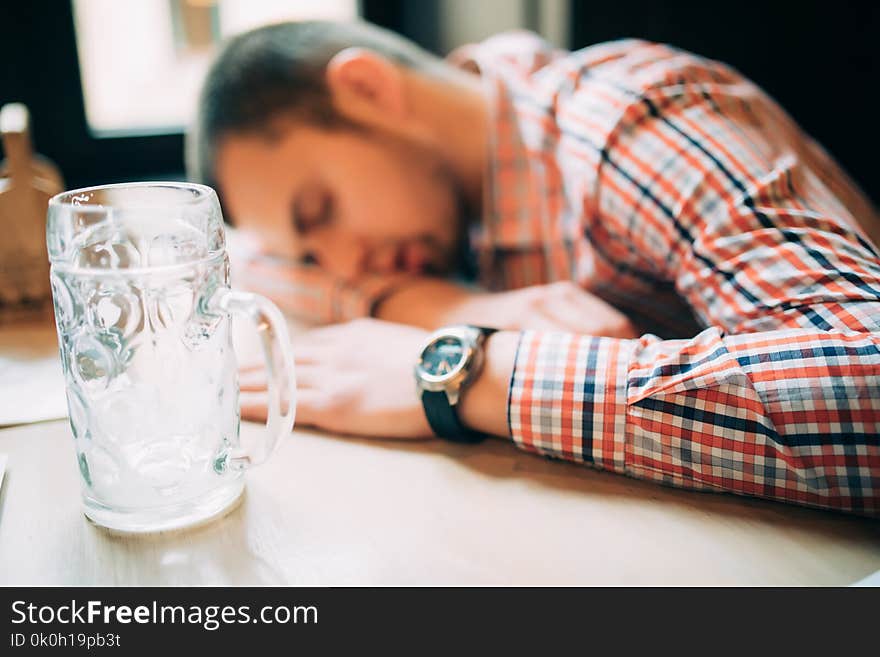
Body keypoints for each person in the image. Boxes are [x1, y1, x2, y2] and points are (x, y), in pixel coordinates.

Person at [188, 20, 880, 516]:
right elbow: (253, 257)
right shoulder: (442, 200)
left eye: (321, 210)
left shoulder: (626, 127)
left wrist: (468, 373)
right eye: (312, 251)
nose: (343, 262)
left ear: (369, 89)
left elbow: (865, 373)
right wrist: (434, 305)